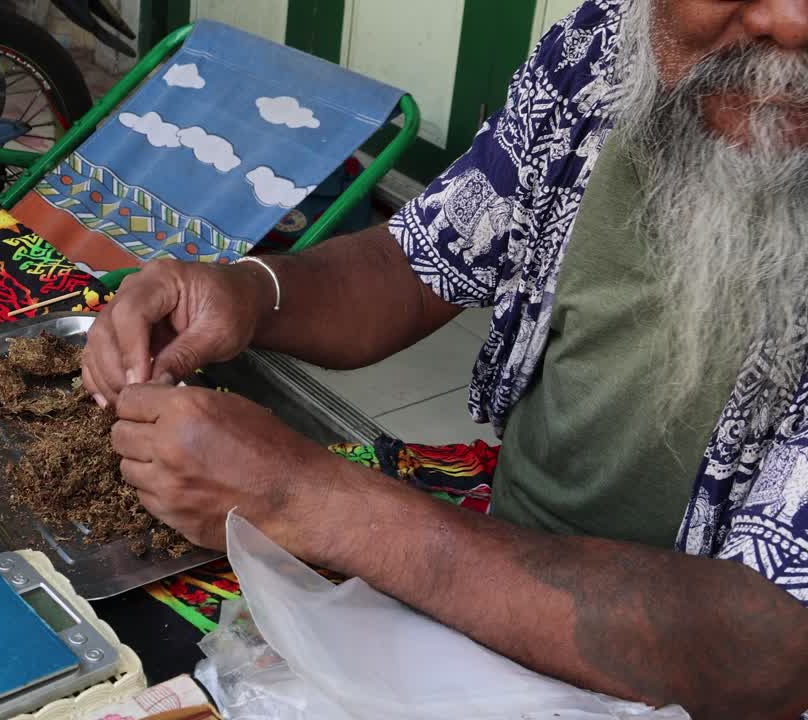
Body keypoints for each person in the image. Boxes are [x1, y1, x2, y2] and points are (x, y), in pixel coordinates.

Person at [81, 0, 808, 717]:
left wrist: (307, 499)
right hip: (490, 580)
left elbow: (766, 649)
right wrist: (246, 289)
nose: (791, 22)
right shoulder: (604, 51)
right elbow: (421, 259)